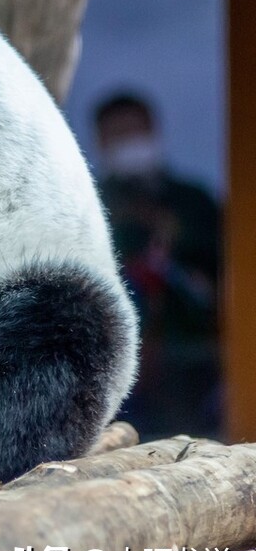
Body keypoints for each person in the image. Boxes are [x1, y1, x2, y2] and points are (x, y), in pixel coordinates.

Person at [94, 90, 222, 437]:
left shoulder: (192, 201)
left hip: (192, 356)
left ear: (153, 130)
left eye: (133, 132)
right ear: (100, 141)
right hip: (114, 358)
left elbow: (223, 271)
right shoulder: (91, 202)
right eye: (116, 135)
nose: (127, 143)